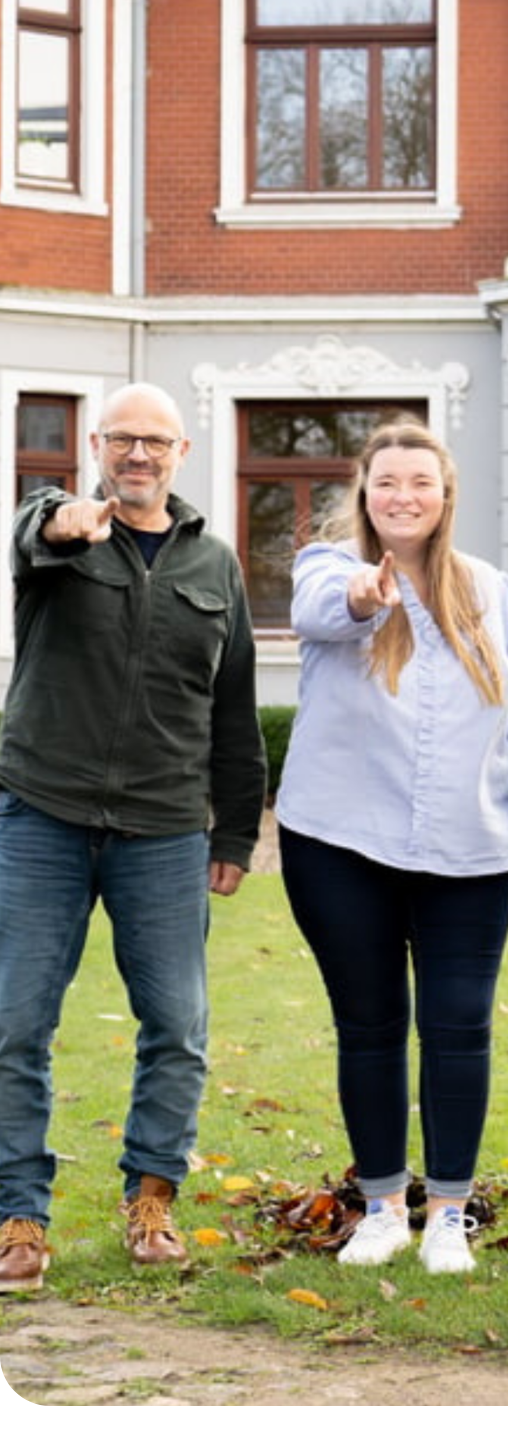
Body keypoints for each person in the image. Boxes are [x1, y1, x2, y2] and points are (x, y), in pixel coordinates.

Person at [276, 420, 508, 1276]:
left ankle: (448, 1211)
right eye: (388, 482)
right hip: (341, 843)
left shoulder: (492, 589)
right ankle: (383, 1205)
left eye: (420, 483)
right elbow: (320, 612)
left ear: (445, 496)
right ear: (365, 492)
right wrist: (368, 598)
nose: (404, 496)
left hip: (471, 848)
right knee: (368, 1027)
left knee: (459, 1025)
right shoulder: (331, 570)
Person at [0, 382, 265, 1291]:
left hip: (163, 831)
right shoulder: (55, 535)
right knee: (14, 1023)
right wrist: (68, 524)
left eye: (156, 442)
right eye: (122, 440)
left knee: (179, 1027)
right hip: (41, 815)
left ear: (183, 453)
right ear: (99, 448)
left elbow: (234, 713)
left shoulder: (214, 567)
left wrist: (233, 830)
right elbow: (36, 531)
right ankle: (18, 1217)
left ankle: (151, 1198)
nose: (139, 455)